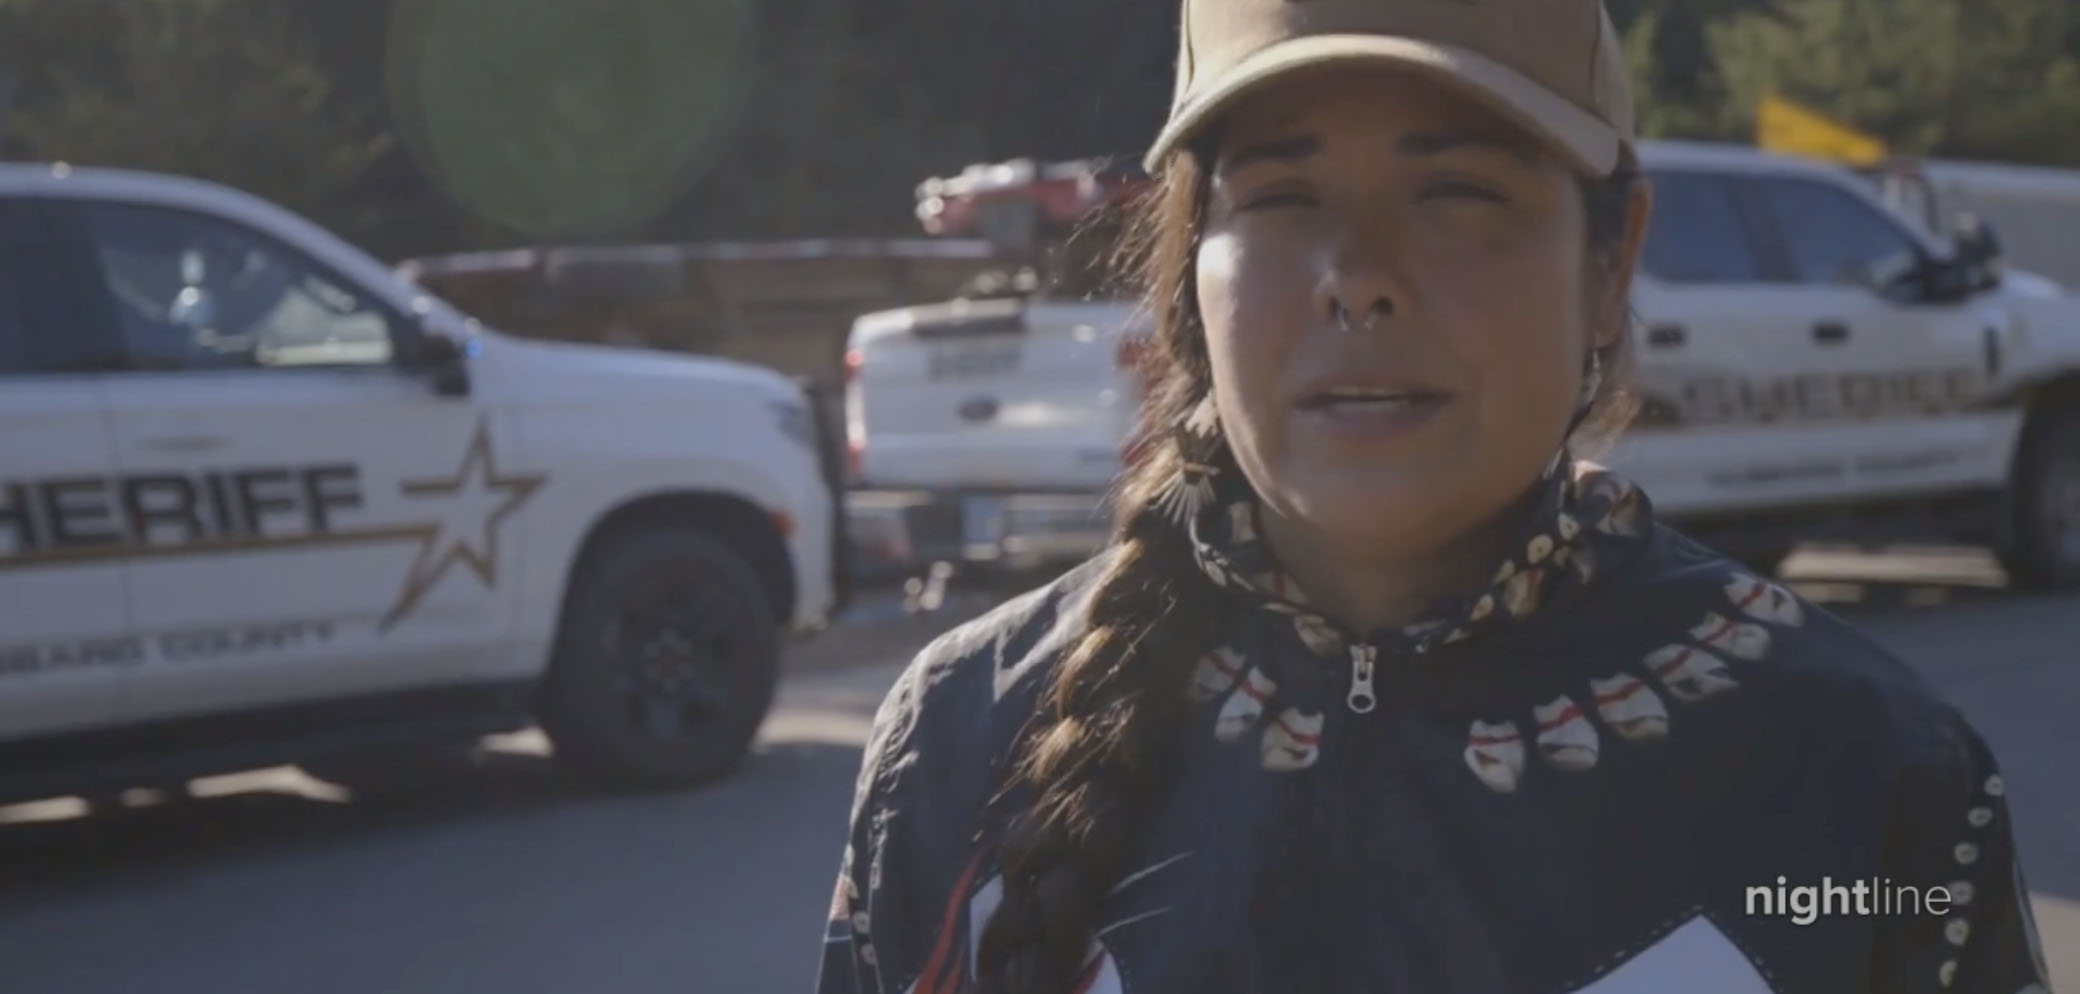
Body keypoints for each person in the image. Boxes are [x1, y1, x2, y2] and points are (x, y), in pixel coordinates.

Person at [816, 0, 2056, 991]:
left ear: (1610, 263)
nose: (1359, 281)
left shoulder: (1862, 775)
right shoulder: (959, 740)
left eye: (1457, 195)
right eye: (1282, 198)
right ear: (1192, 267)